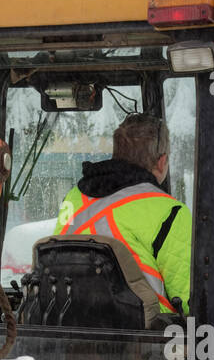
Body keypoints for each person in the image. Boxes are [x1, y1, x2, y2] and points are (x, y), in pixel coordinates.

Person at [54, 113, 192, 315]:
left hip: (70, 329)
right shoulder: (170, 212)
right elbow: (191, 300)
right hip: (147, 340)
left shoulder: (74, 198)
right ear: (162, 162)